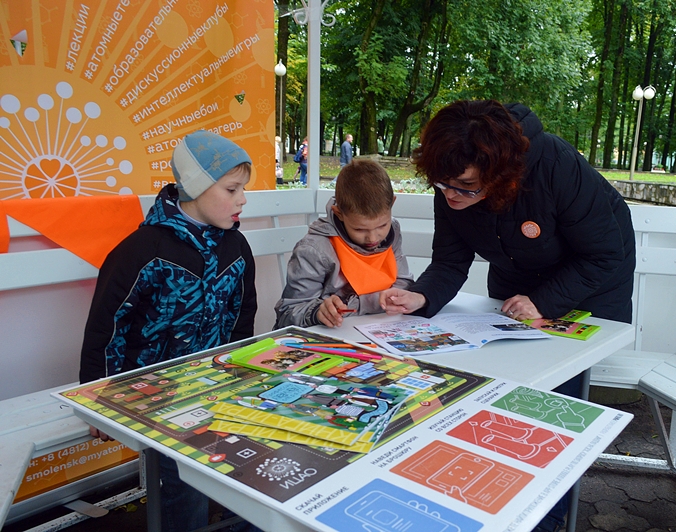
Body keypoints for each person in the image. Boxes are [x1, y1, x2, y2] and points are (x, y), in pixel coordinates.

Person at [379, 99, 635, 532]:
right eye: (443, 186)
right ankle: (492, 494)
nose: (452, 197)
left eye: (465, 187)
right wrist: (420, 296)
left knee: (557, 398)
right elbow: (449, 261)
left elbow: (604, 254)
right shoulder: (454, 175)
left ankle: (549, 516)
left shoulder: (555, 163)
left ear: (500, 175)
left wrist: (545, 302)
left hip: (591, 279)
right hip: (518, 274)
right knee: (502, 388)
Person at [79, 130, 259, 532]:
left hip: (216, 383)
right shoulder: (141, 252)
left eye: (242, 189)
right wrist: (96, 396)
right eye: (232, 189)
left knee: (256, 457)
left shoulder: (237, 248)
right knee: (184, 480)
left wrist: (239, 373)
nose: (242, 199)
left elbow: (243, 317)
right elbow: (106, 326)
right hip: (154, 395)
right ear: (196, 187)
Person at [275, 158, 414, 328]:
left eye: (382, 225)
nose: (373, 238)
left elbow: (403, 282)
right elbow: (288, 314)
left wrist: (388, 299)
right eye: (359, 230)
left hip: (378, 331)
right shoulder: (315, 249)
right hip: (327, 341)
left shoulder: (393, 231)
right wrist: (317, 312)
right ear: (338, 214)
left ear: (392, 204)